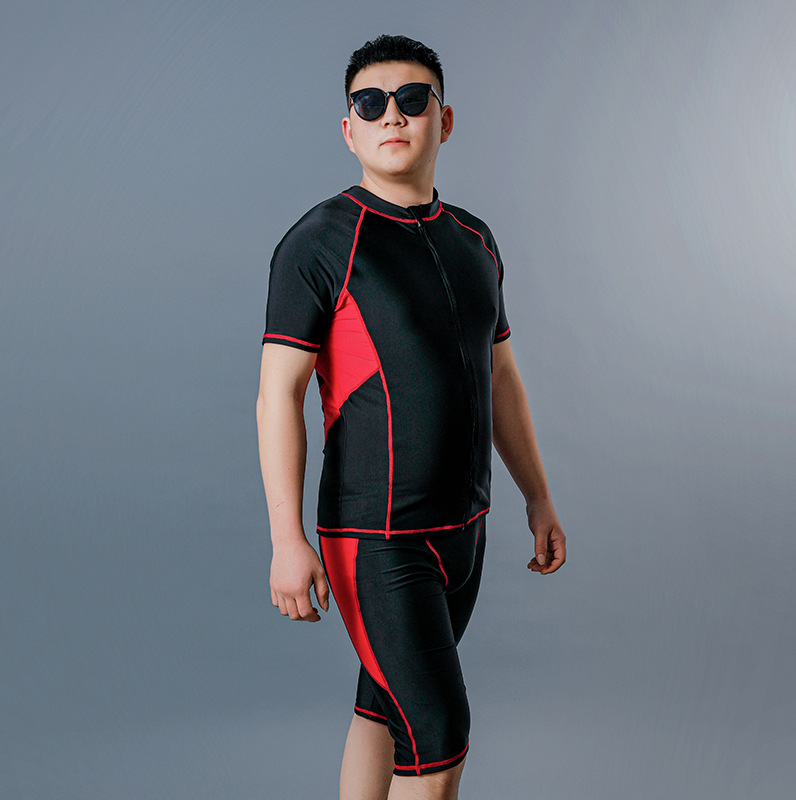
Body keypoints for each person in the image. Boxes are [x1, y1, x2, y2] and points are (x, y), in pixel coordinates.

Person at [256, 34, 566, 800]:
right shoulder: (319, 244)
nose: (391, 115)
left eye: (412, 98)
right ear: (349, 129)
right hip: (378, 538)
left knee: (384, 709)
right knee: (438, 734)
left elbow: (501, 378)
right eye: (371, 103)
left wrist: (537, 495)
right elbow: (277, 396)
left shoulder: (474, 239)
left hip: (467, 529)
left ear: (444, 119)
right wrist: (287, 540)